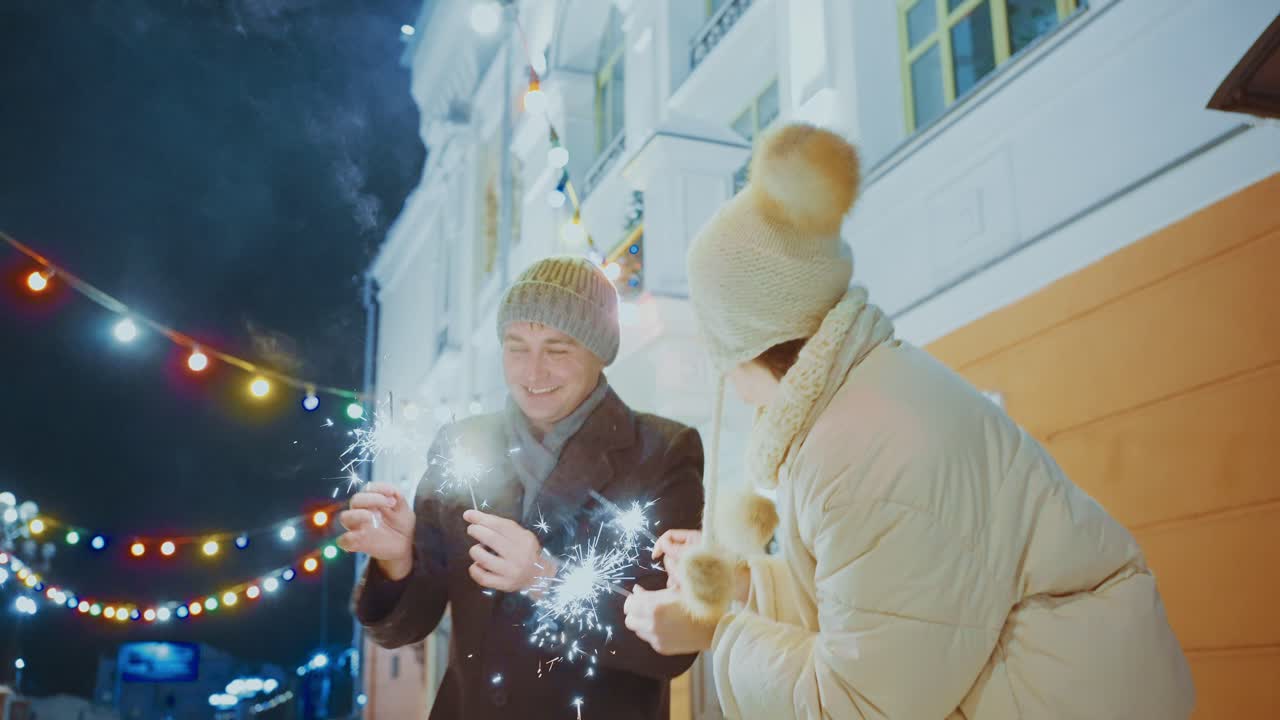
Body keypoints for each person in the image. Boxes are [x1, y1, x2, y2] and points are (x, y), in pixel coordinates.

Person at [622, 124, 1195, 718]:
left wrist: (716, 633)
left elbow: (863, 701)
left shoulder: (860, 450)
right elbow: (883, 603)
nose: (726, 381)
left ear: (746, 337)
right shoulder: (862, 403)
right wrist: (745, 583)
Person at [340, 256, 705, 720]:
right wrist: (397, 561)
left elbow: (671, 646)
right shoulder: (459, 445)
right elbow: (406, 627)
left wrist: (546, 580)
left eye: (557, 349)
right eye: (517, 347)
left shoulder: (661, 453)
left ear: (598, 350)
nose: (533, 373)